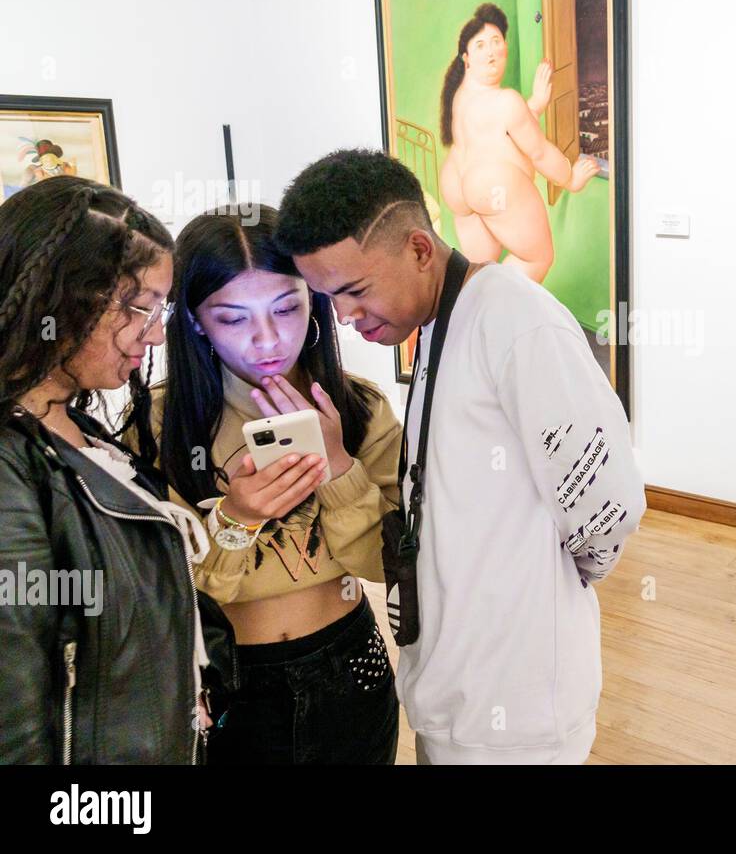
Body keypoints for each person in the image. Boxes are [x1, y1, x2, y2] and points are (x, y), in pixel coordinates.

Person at [276, 148, 646, 764]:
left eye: (355, 290)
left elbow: (610, 507)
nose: (343, 317)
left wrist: (540, 588)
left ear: (420, 249)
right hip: (457, 696)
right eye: (328, 298)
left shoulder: (514, 319)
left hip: (515, 717)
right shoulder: (444, 318)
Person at [138, 206, 403, 764]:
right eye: (233, 318)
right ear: (193, 321)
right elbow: (168, 592)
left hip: (351, 664)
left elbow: (388, 566)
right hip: (233, 677)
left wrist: (338, 468)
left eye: (286, 308)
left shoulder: (359, 408)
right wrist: (235, 518)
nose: (267, 340)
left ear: (315, 301)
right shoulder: (162, 422)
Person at [0, 176, 226, 763]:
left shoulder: (85, 432)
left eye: (161, 311)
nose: (154, 334)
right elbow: (16, 723)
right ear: (65, 297)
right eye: (139, 309)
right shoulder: (10, 467)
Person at [437, 1, 601, 283]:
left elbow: (497, 130)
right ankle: (497, 309)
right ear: (466, 57)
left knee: (481, 272)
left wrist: (534, 106)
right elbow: (538, 152)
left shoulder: (460, 93)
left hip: (457, 184)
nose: (490, 52)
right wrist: (570, 179)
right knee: (537, 258)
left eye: (496, 41)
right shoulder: (507, 102)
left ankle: (481, 318)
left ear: (505, 47)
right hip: (491, 186)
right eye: (480, 46)